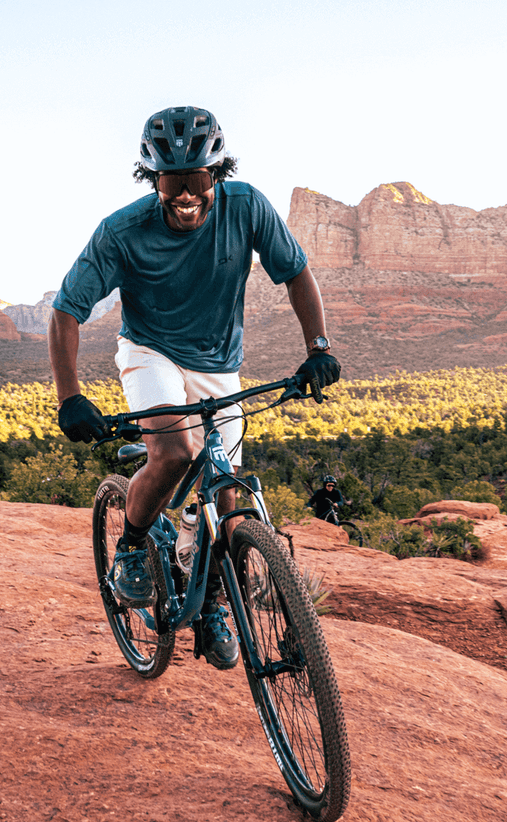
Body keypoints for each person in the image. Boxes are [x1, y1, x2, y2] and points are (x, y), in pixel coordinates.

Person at [48, 105, 340, 671]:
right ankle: (131, 546)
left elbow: (297, 273)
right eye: (173, 181)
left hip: (218, 363)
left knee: (225, 492)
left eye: (198, 180)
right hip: (150, 352)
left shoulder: (248, 206)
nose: (186, 194)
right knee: (176, 450)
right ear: (153, 179)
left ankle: (209, 606)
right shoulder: (122, 231)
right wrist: (69, 398)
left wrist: (318, 349)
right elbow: (65, 313)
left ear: (217, 175)